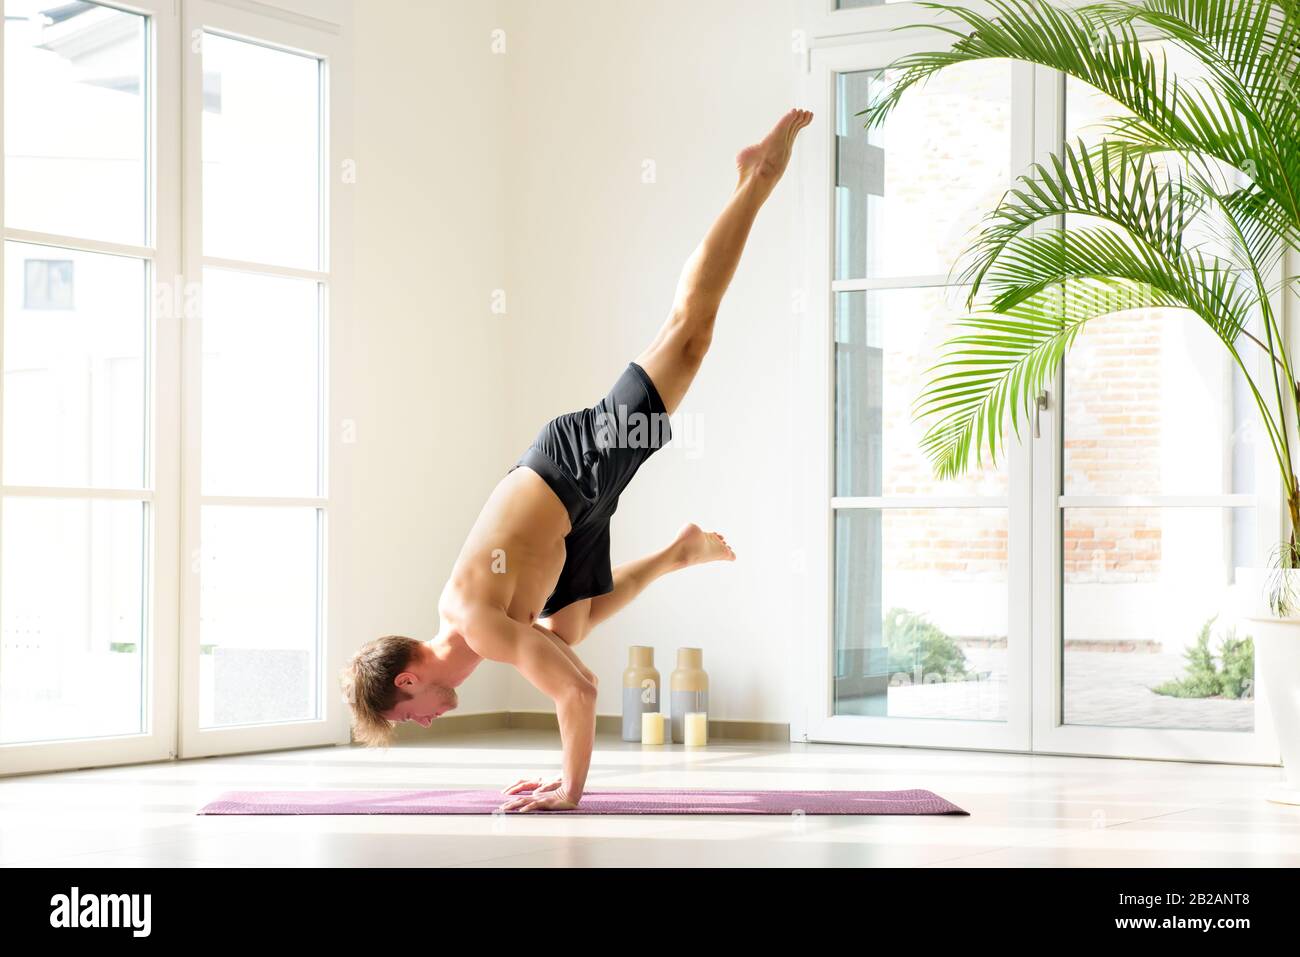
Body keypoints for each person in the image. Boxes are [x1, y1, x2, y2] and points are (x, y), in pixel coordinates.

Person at [339, 108, 813, 811]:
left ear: (408, 680)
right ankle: (675, 553)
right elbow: (572, 663)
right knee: (568, 627)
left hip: (568, 469)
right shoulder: (485, 633)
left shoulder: (473, 620)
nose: (428, 722)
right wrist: (562, 750)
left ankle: (756, 178)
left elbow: (578, 689)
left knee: (688, 336)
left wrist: (570, 789)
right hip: (572, 520)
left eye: (412, 717)